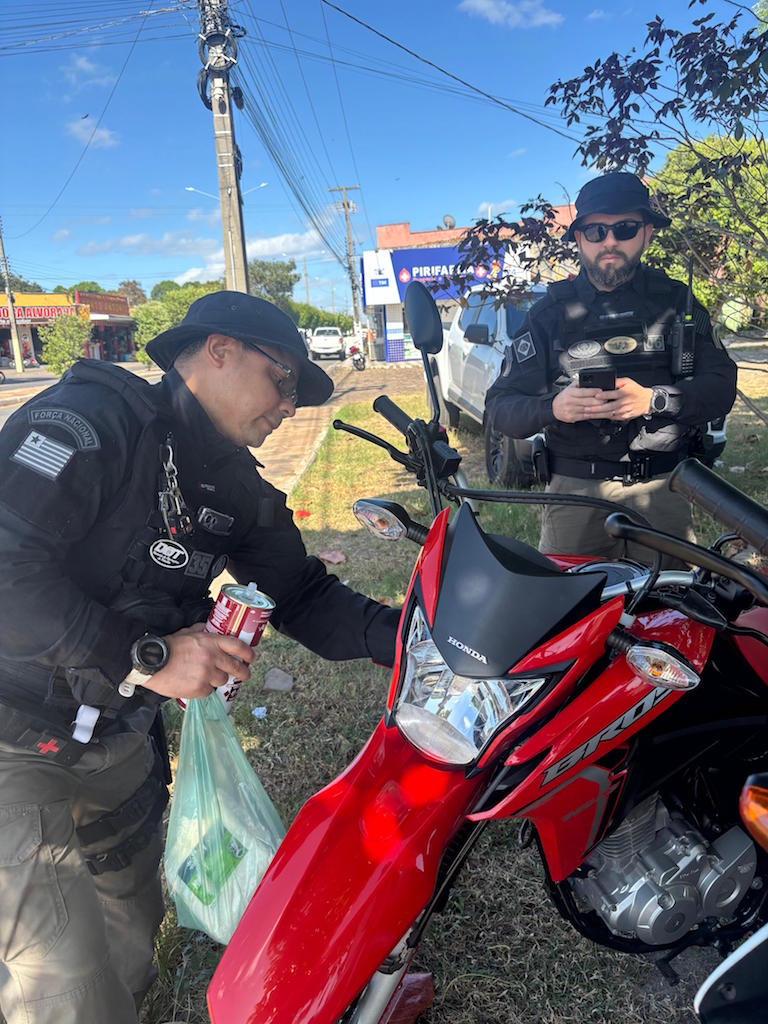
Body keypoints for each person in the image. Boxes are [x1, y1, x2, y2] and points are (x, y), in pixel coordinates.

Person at [0, 291, 400, 1024]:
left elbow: (305, 597)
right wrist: (149, 655)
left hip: (118, 733)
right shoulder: (87, 425)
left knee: (132, 914)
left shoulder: (238, 486)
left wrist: (420, 639)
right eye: (283, 381)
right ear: (218, 350)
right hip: (12, 732)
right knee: (59, 981)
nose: (288, 406)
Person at [485, 171, 737, 562]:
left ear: (647, 233)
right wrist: (553, 407)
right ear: (579, 239)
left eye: (625, 228)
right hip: (576, 498)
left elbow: (722, 386)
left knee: (671, 611)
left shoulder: (677, 304)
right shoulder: (549, 314)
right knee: (571, 612)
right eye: (596, 231)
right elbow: (499, 406)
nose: (611, 241)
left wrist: (654, 400)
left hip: (662, 491)